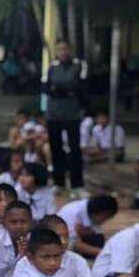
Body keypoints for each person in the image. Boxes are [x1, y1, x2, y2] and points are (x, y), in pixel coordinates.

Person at [43, 39, 88, 194]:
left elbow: (80, 87)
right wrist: (67, 91)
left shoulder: (79, 65)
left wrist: (60, 88)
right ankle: (59, 183)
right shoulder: (51, 67)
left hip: (72, 114)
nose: (63, 52)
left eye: (65, 48)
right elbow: (46, 88)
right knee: (56, 149)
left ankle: (77, 185)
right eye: (60, 49)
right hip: (53, 114)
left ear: (70, 50)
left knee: (74, 150)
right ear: (56, 51)